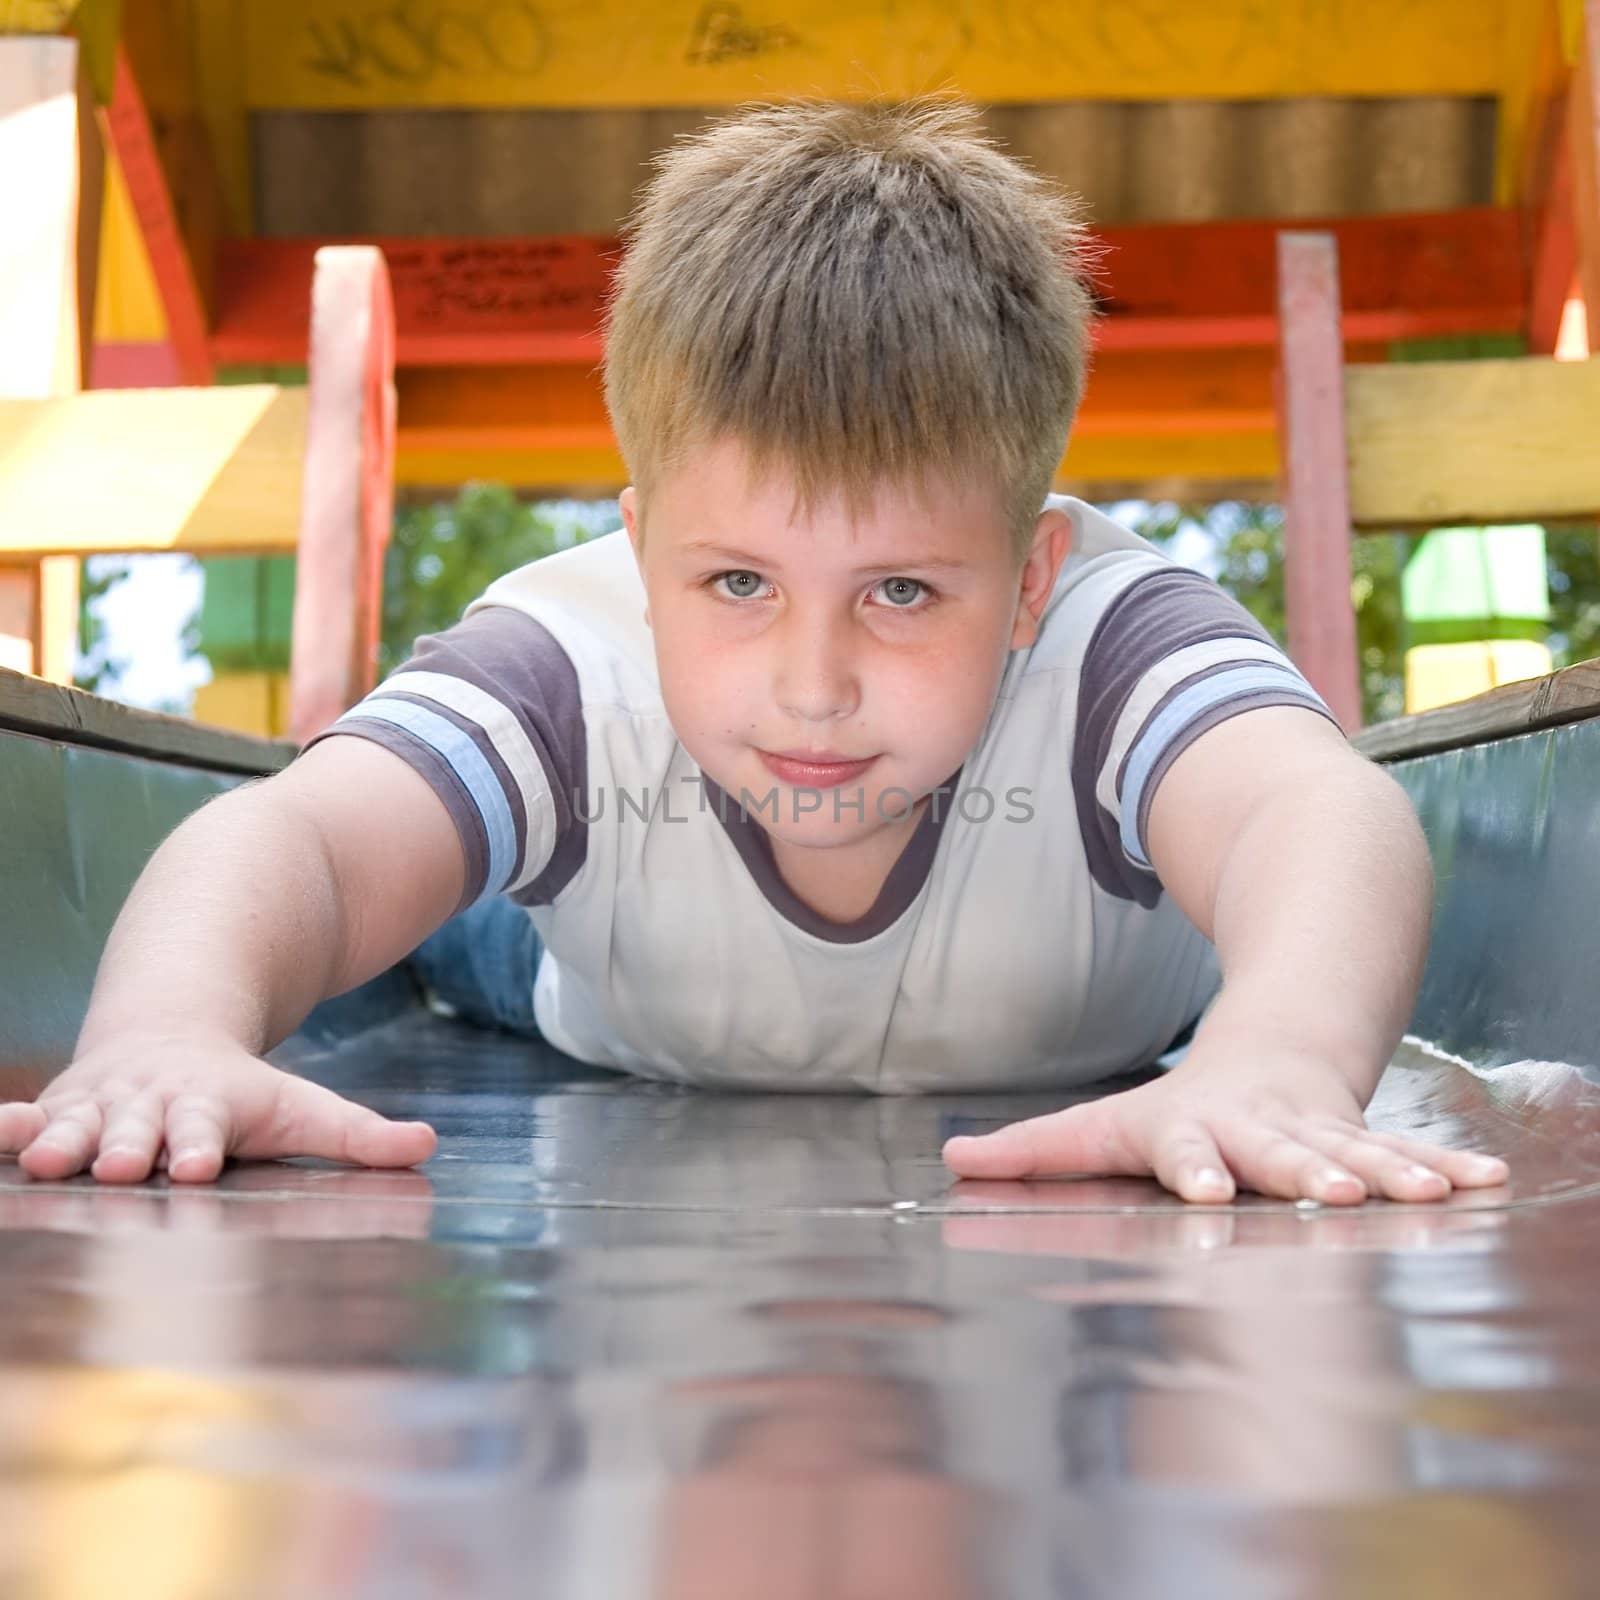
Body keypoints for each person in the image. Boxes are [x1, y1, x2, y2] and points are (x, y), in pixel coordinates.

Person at [2, 96, 1507, 1205]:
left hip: (1102, 1001)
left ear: (1032, 570)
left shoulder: (1113, 638)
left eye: (903, 594)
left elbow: (1324, 813)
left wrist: (1281, 1054)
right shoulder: (570, 657)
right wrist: (166, 1034)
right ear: (642, 550)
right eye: (734, 581)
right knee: (432, 930)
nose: (812, 682)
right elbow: (303, 844)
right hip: (611, 977)